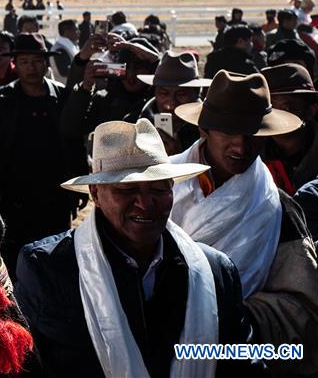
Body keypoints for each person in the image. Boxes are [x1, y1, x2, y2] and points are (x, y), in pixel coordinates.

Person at [16, 120, 260, 378]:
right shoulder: (47, 268)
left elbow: (240, 364)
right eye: (127, 189)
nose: (145, 203)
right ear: (96, 193)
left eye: (158, 188)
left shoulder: (215, 271)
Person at [170, 71, 318, 375]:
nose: (241, 147)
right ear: (204, 129)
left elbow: (308, 311)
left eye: (252, 136)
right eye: (228, 133)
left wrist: (238, 319)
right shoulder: (161, 186)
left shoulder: (277, 209)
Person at [0, 33, 76, 271]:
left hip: (55, 195)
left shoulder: (61, 97)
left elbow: (73, 143)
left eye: (37, 61)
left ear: (45, 63)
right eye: (24, 62)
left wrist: (75, 184)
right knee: (16, 260)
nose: (31, 67)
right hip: (14, 198)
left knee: (58, 258)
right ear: (16, 64)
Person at [60, 34, 159, 140]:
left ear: (151, 70)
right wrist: (84, 89)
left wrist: (154, 59)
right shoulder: (105, 99)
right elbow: (70, 128)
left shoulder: (158, 100)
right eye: (125, 68)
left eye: (139, 68)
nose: (131, 74)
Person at [260, 63, 318, 195]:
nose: (281, 114)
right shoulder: (251, 152)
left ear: (311, 111)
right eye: (274, 106)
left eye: (289, 106)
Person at [135, 51, 211, 155]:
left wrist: (178, 157)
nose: (171, 103)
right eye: (164, 93)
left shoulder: (210, 131)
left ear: (196, 93)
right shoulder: (137, 124)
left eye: (181, 94)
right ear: (155, 93)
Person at [49, 19, 79, 85]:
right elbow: (64, 71)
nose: (79, 32)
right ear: (67, 32)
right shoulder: (59, 49)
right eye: (76, 29)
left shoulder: (67, 45)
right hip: (64, 89)